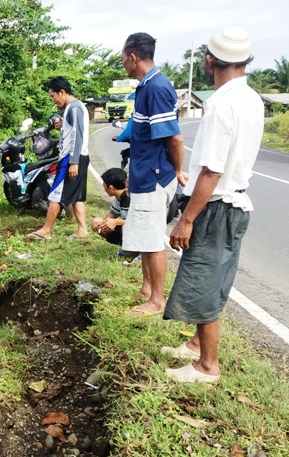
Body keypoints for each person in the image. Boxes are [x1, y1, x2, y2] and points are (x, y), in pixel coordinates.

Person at [161, 27, 264, 383]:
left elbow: (211, 171)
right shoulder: (251, 98)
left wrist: (186, 219)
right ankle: (195, 346)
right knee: (217, 279)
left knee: (203, 279)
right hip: (236, 206)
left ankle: (208, 365)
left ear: (209, 60)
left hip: (216, 206)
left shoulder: (221, 102)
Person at [120, 33, 187, 316]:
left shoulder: (157, 87)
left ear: (133, 57)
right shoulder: (146, 86)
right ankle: (147, 289)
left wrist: (178, 170)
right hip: (143, 174)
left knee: (152, 237)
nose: (123, 63)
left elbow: (174, 139)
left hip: (155, 175)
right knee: (143, 237)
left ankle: (157, 300)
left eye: (123, 57)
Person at [28, 77, 89, 240]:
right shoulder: (72, 109)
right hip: (78, 156)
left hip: (71, 157)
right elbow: (72, 130)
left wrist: (73, 162)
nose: (53, 101)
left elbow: (77, 135)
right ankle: (82, 229)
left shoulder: (75, 108)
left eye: (53, 96)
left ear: (62, 92)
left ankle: (46, 230)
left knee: (55, 193)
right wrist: (63, 125)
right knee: (77, 195)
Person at [93, 167, 129, 246]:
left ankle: (138, 254)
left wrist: (116, 222)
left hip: (142, 230)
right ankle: (125, 247)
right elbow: (113, 213)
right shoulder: (118, 198)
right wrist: (105, 224)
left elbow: (138, 222)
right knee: (96, 222)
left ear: (111, 188)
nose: (104, 189)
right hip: (128, 227)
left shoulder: (131, 197)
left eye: (104, 186)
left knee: (126, 228)